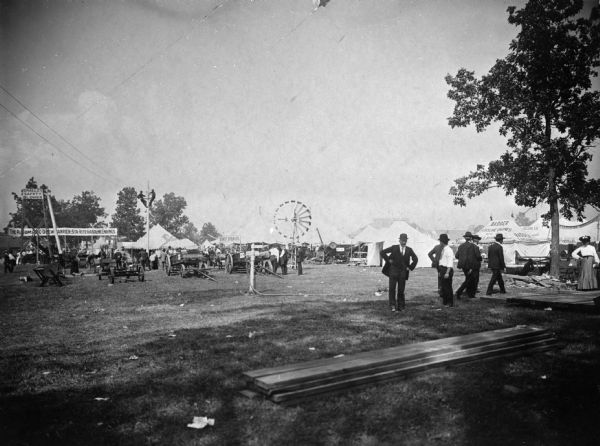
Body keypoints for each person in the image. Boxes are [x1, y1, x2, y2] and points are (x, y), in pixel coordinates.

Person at [380, 233, 419, 312]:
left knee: (401, 290)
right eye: (402, 240)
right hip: (393, 271)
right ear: (399, 240)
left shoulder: (409, 249)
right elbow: (382, 252)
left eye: (405, 240)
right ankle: (392, 306)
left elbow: (415, 258)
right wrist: (388, 260)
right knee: (392, 289)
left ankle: (401, 306)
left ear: (406, 241)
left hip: (403, 272)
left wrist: (410, 267)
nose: (404, 242)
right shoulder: (394, 247)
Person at [455, 231, 481, 299]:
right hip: (471, 266)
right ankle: (460, 292)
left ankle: (468, 293)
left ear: (465, 238)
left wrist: (463, 259)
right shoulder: (473, 246)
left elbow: (457, 256)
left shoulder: (461, 246)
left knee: (468, 279)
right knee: (471, 280)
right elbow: (478, 256)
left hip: (463, 266)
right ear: (471, 238)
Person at [437, 234, 455, 307]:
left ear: (442, 242)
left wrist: (447, 272)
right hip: (442, 269)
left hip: (446, 269)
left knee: (447, 287)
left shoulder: (449, 250)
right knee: (444, 287)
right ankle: (445, 302)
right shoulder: (444, 249)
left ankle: (450, 303)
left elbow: (450, 263)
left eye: (440, 241)